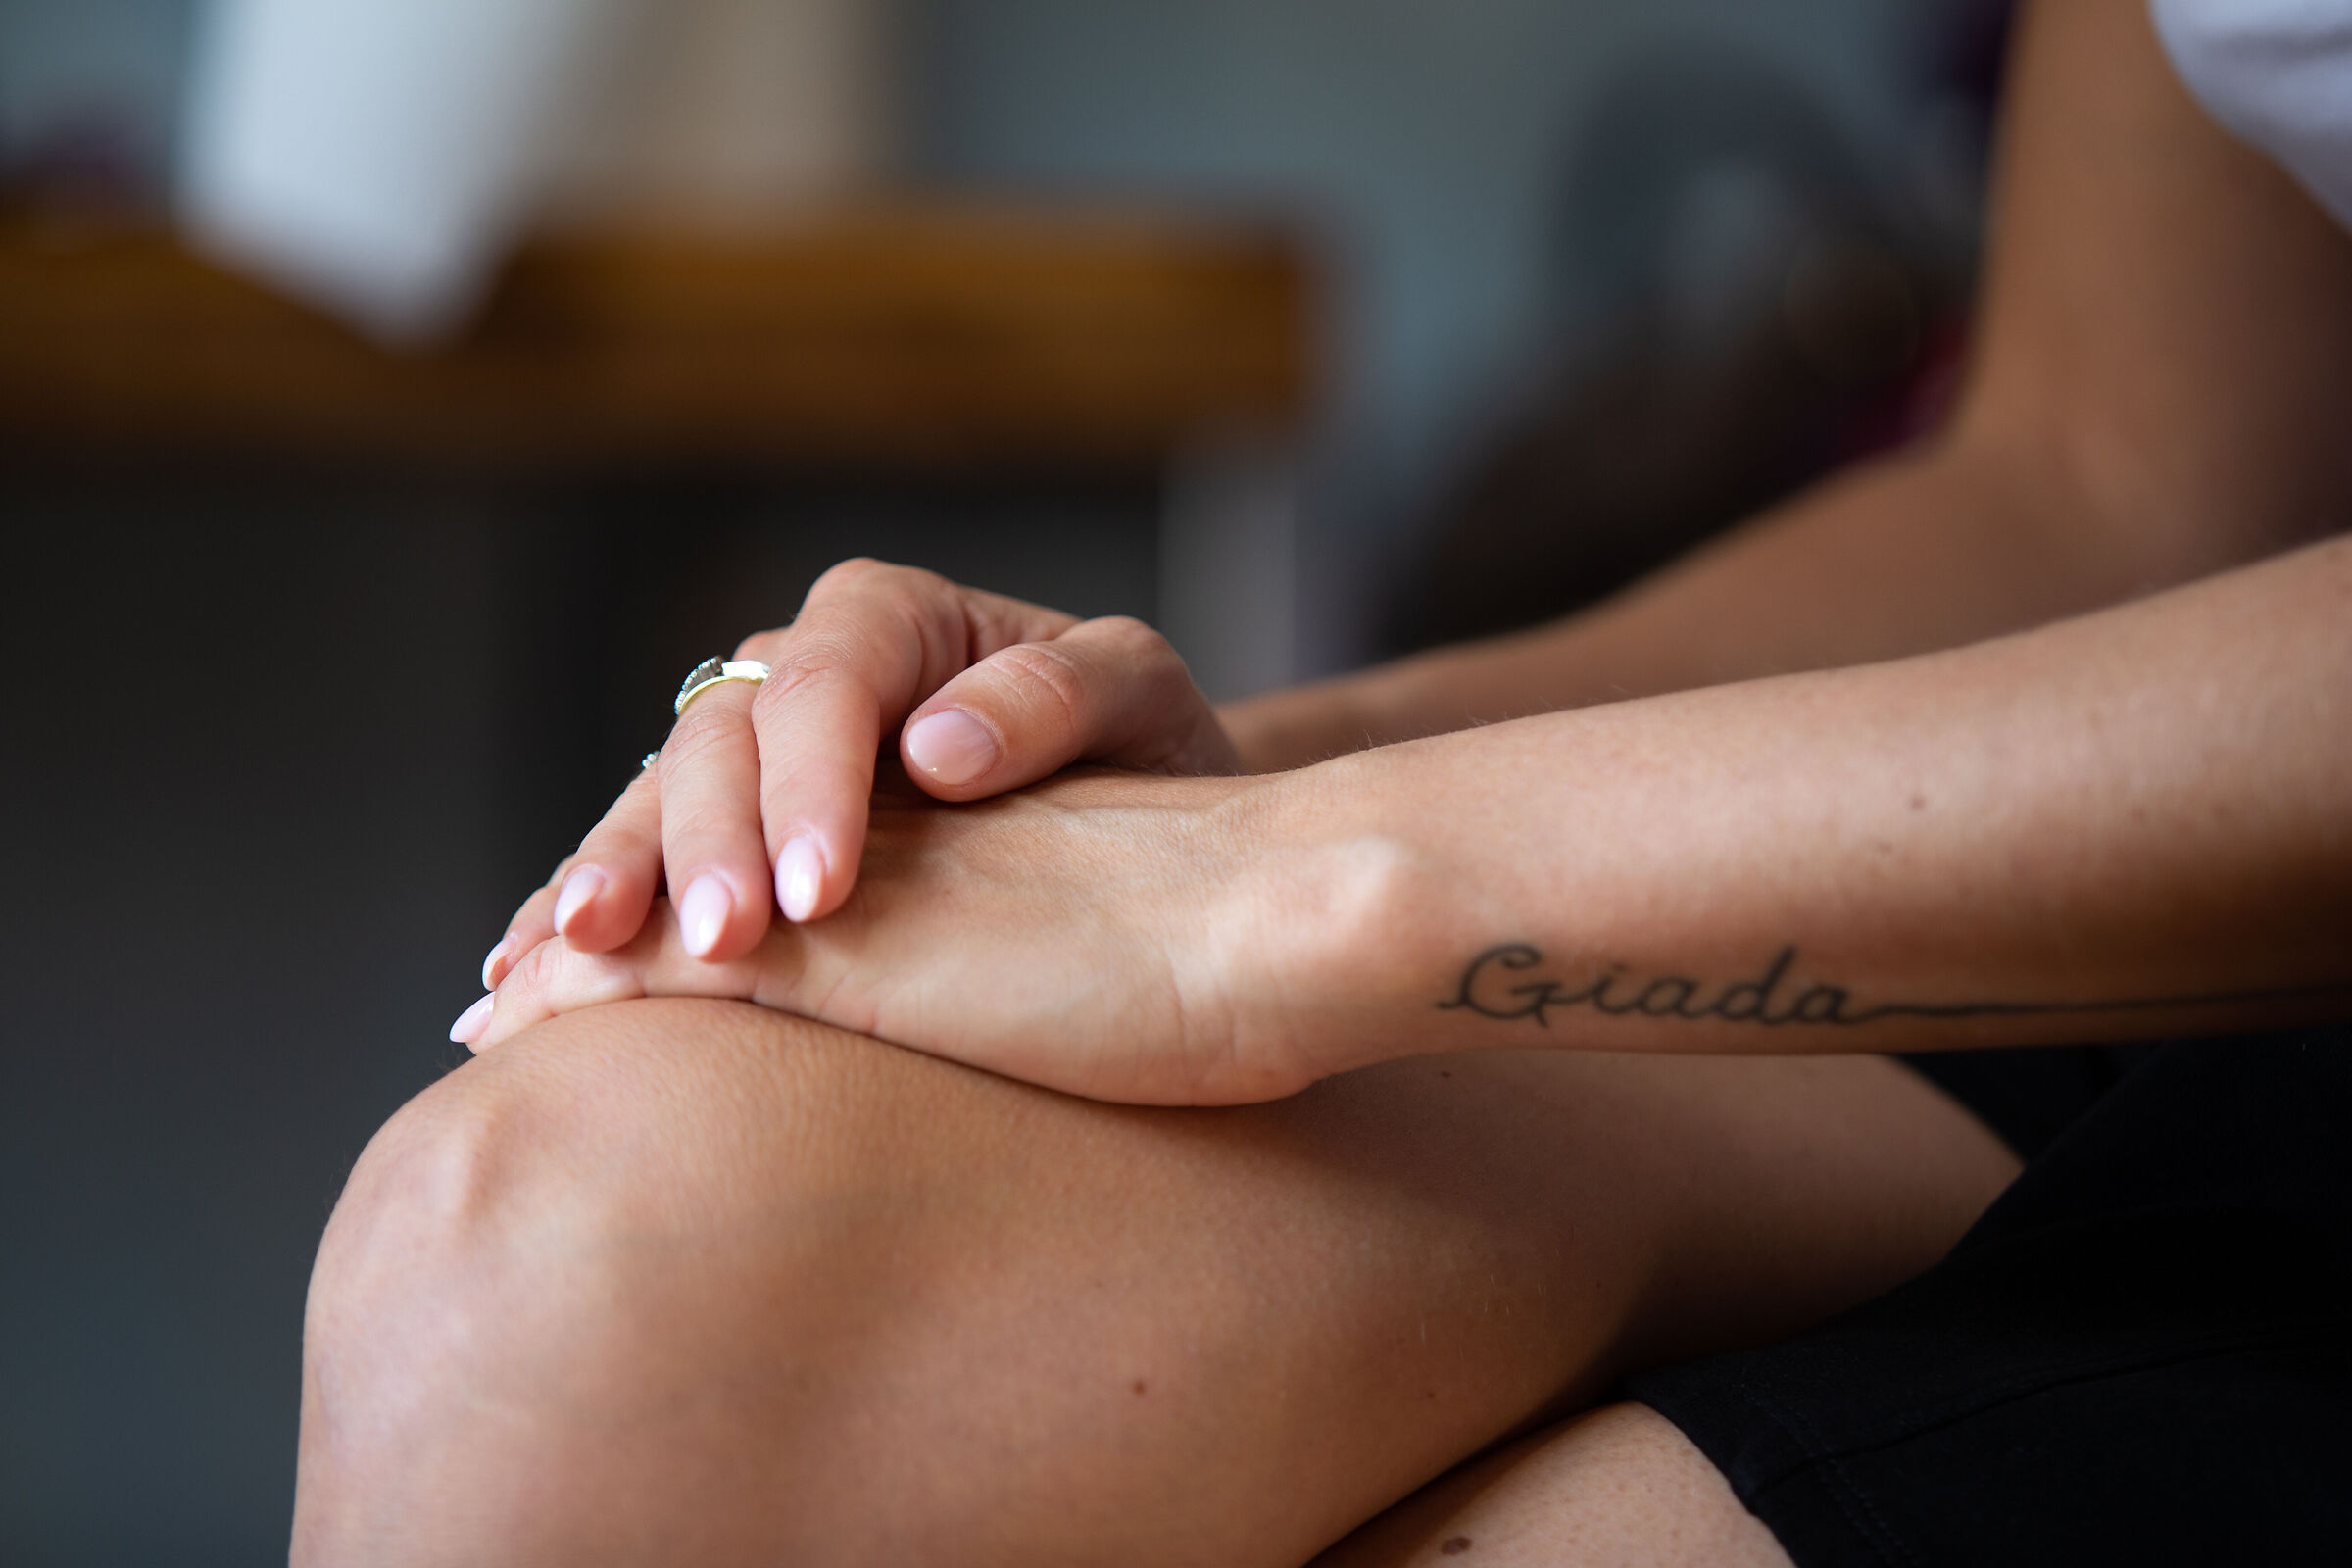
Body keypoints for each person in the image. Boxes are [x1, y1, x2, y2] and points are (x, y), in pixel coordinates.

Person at [296, 0, 2352, 1561]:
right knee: (537, 1268)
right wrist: (1180, 779)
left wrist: (1317, 892)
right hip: (2115, 904)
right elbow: (2113, 490)